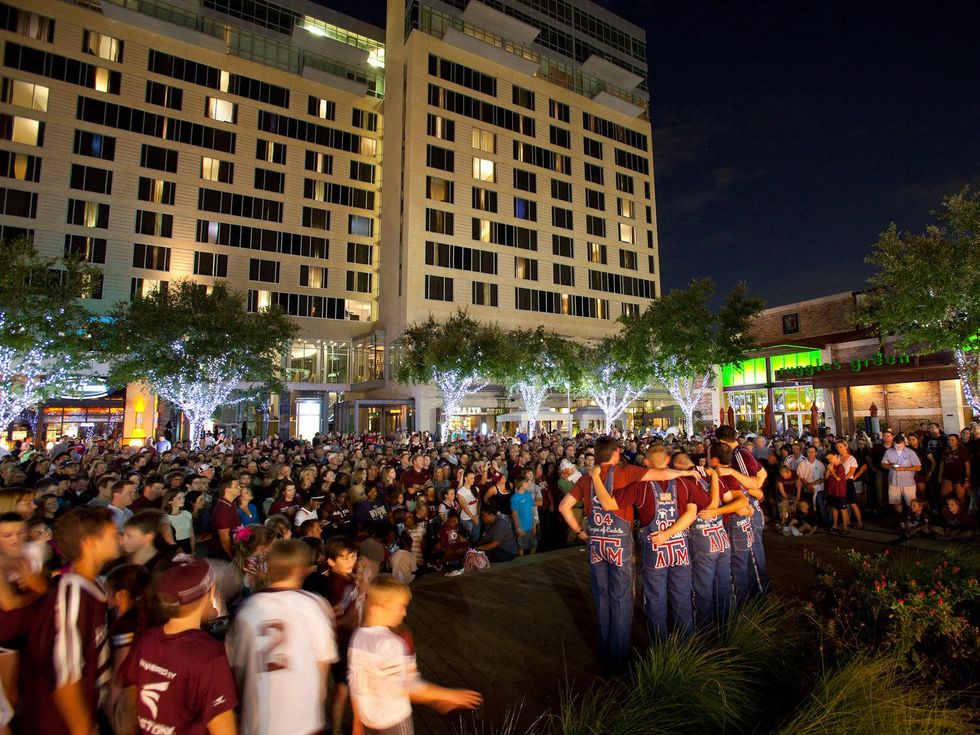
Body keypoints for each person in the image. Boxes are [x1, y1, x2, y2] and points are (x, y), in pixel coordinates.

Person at [558, 435, 696, 673]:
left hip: (596, 544)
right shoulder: (627, 472)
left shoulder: (586, 479)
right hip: (619, 544)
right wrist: (688, 473)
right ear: (616, 453)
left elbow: (564, 507)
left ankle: (604, 651)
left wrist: (580, 531)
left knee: (602, 597)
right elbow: (662, 475)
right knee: (621, 598)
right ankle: (618, 660)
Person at [18, 507, 120, 735]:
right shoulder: (73, 595)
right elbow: (65, 674)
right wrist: (82, 727)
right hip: (60, 723)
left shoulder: (93, 586)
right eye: (113, 534)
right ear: (89, 542)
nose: (119, 537)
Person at [117, 555, 237, 735]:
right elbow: (223, 729)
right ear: (210, 592)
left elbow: (128, 700)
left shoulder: (147, 640)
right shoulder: (210, 656)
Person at [348, 575, 481, 734]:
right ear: (377, 609)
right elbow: (407, 685)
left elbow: (355, 682)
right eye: (400, 607)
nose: (404, 613)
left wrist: (357, 721)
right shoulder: (390, 643)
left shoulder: (358, 637)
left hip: (368, 720)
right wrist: (448, 695)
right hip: (393, 721)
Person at [230, 540, 337, 735]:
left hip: (260, 719)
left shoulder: (249, 607)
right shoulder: (313, 604)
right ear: (301, 570)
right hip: (302, 716)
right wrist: (319, 693)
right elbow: (322, 661)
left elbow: (239, 666)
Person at [304, 535, 358, 735]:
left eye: (353, 556)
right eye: (345, 558)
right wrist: (352, 618)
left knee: (347, 688)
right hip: (341, 643)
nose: (351, 561)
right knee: (342, 689)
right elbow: (334, 620)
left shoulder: (348, 578)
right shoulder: (334, 585)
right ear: (331, 561)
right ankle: (335, 729)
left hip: (350, 640)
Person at [716, 426, 769, 594]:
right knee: (749, 554)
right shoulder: (742, 452)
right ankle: (755, 594)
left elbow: (754, 482)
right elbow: (763, 473)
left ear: (721, 441)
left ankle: (762, 596)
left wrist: (750, 492)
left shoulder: (739, 455)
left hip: (749, 509)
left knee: (752, 555)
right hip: (749, 506)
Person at [882, 434, 921, 519]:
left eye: (900, 445)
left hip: (908, 482)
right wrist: (892, 465)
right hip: (893, 482)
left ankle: (911, 520)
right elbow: (883, 464)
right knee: (896, 502)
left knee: (911, 503)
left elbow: (918, 467)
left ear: (904, 443)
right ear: (893, 443)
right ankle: (900, 520)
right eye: (896, 445)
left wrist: (905, 468)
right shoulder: (888, 452)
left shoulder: (910, 452)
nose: (898, 447)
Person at [209, 479, 242, 560]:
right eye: (236, 486)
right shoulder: (223, 509)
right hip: (223, 554)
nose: (240, 488)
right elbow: (225, 538)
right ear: (227, 490)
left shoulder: (231, 503)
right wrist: (233, 558)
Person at [510, 476, 537, 557]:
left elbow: (532, 510)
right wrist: (518, 528)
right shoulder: (514, 498)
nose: (528, 484)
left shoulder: (528, 495)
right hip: (521, 527)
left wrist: (534, 524)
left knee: (533, 546)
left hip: (530, 526)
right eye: (526, 483)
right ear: (521, 485)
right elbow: (514, 514)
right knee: (521, 548)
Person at [825, 454, 849, 534]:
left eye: (831, 458)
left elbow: (838, 479)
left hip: (839, 491)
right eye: (828, 459)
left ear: (835, 456)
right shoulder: (830, 466)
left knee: (842, 509)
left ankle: (845, 527)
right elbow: (826, 477)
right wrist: (828, 469)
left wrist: (832, 471)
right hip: (832, 491)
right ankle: (834, 525)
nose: (829, 460)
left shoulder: (840, 467)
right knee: (834, 508)